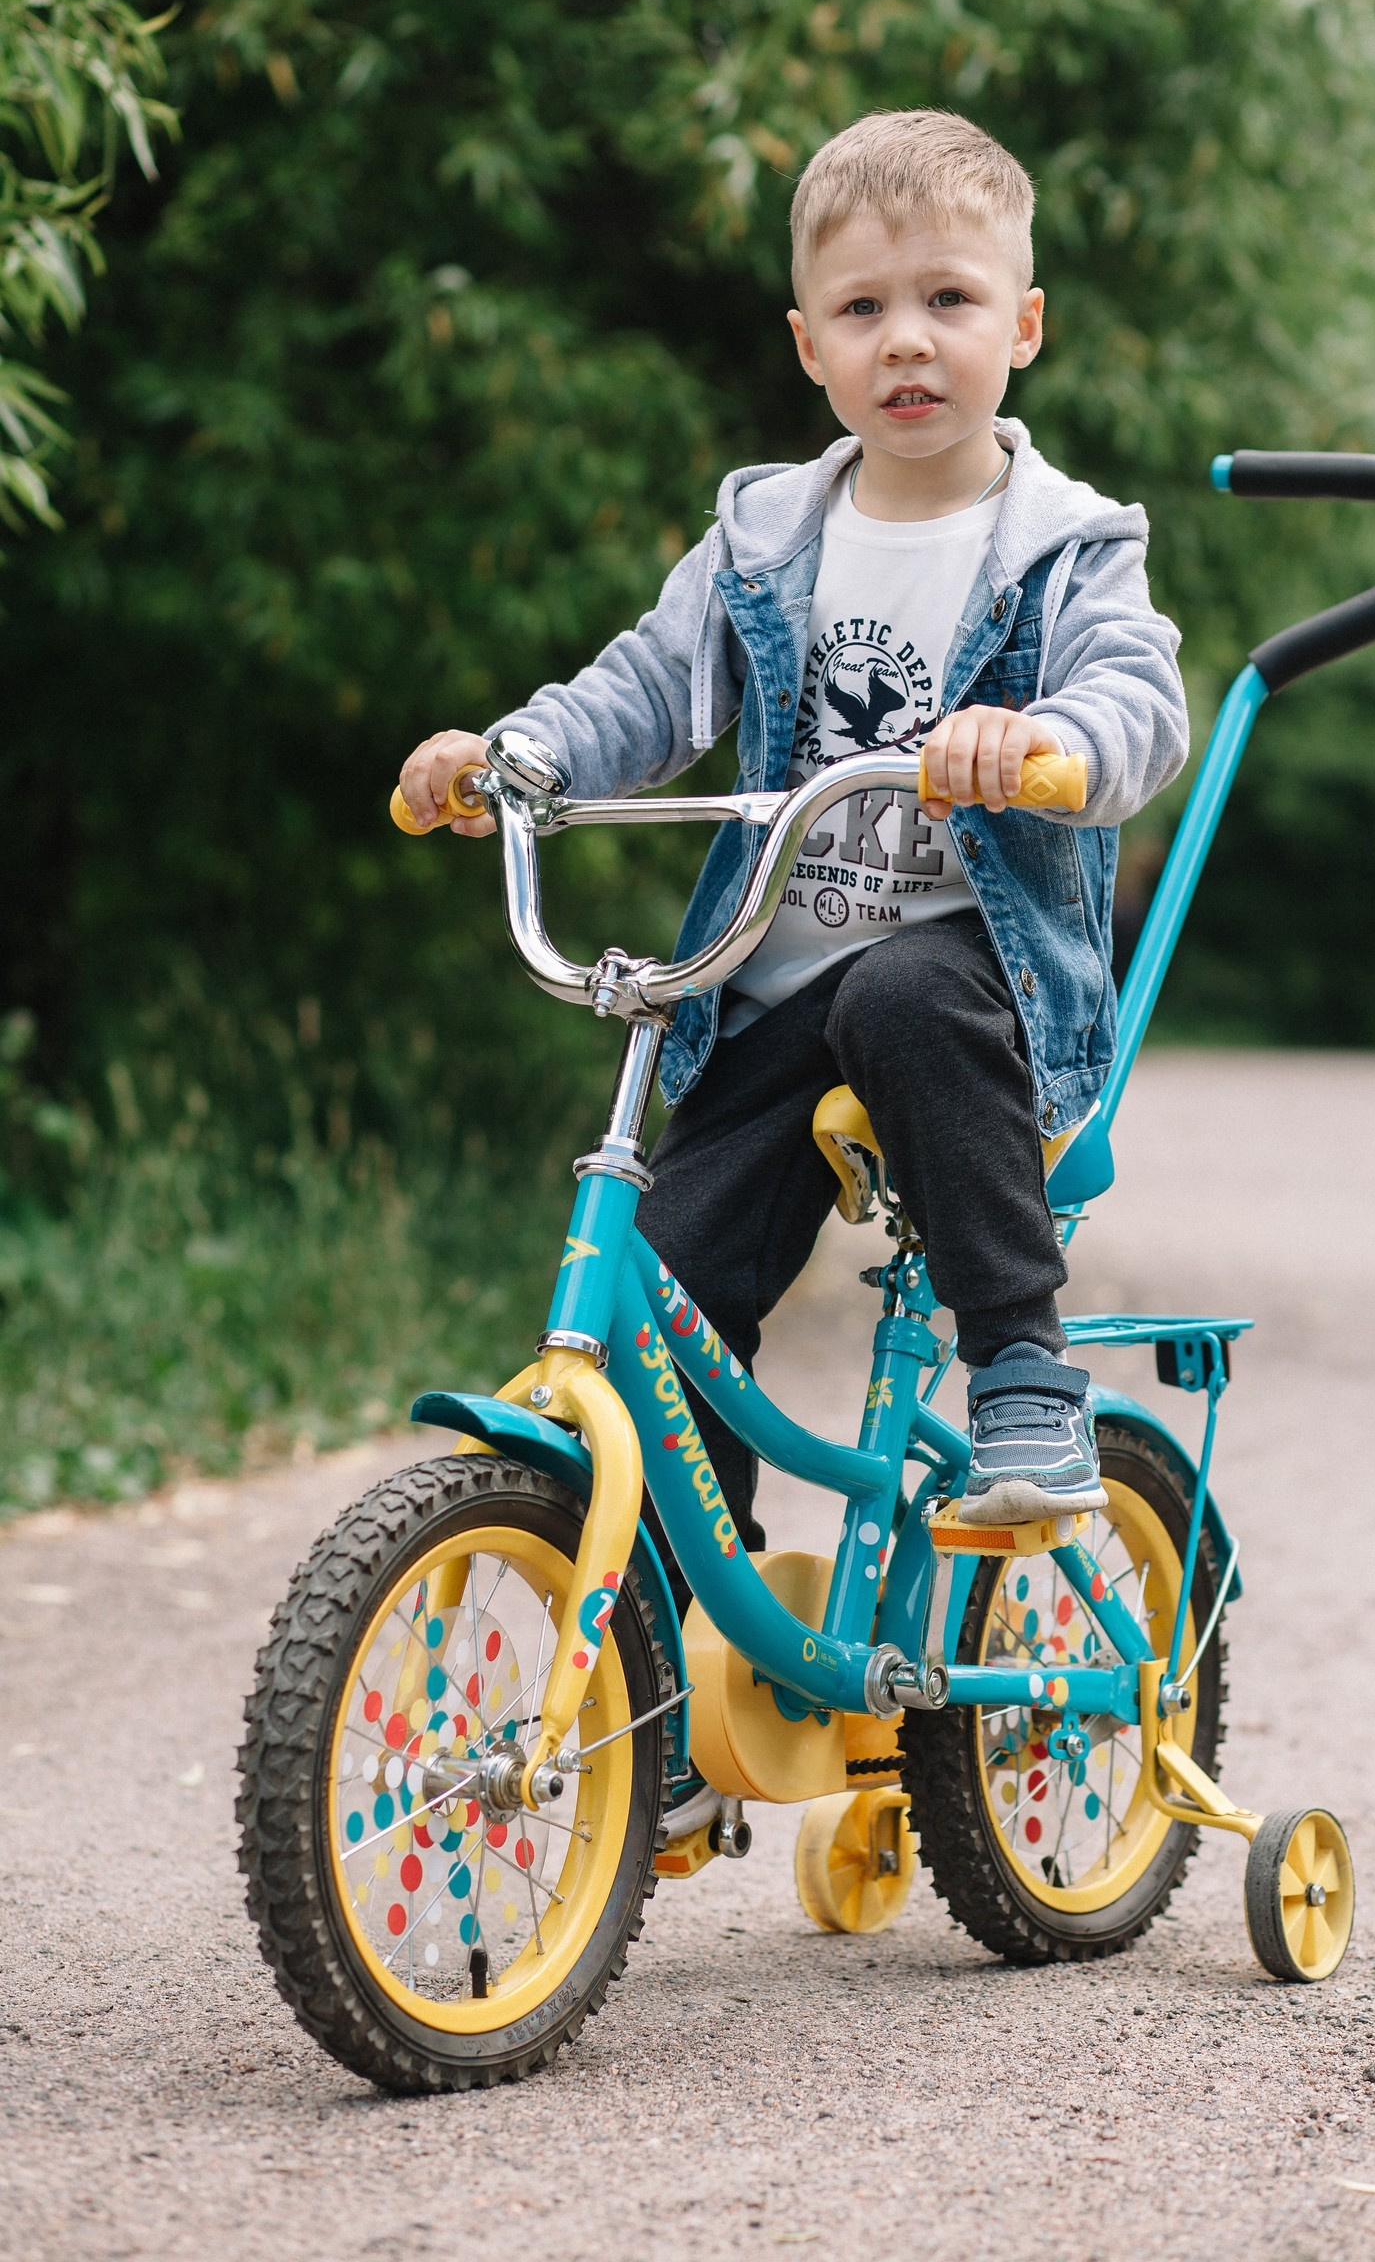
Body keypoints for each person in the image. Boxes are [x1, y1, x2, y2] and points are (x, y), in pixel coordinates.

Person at [398, 109, 1188, 1558]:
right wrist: (511, 756)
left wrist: (1045, 744)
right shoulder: (765, 535)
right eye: (862, 308)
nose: (905, 340)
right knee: (666, 1308)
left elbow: (1138, 703)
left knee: (903, 988)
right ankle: (680, 1706)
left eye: (947, 300)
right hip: (766, 988)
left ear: (1021, 327)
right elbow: (644, 690)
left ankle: (1019, 1363)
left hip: (970, 985)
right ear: (806, 345)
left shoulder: (1067, 542)